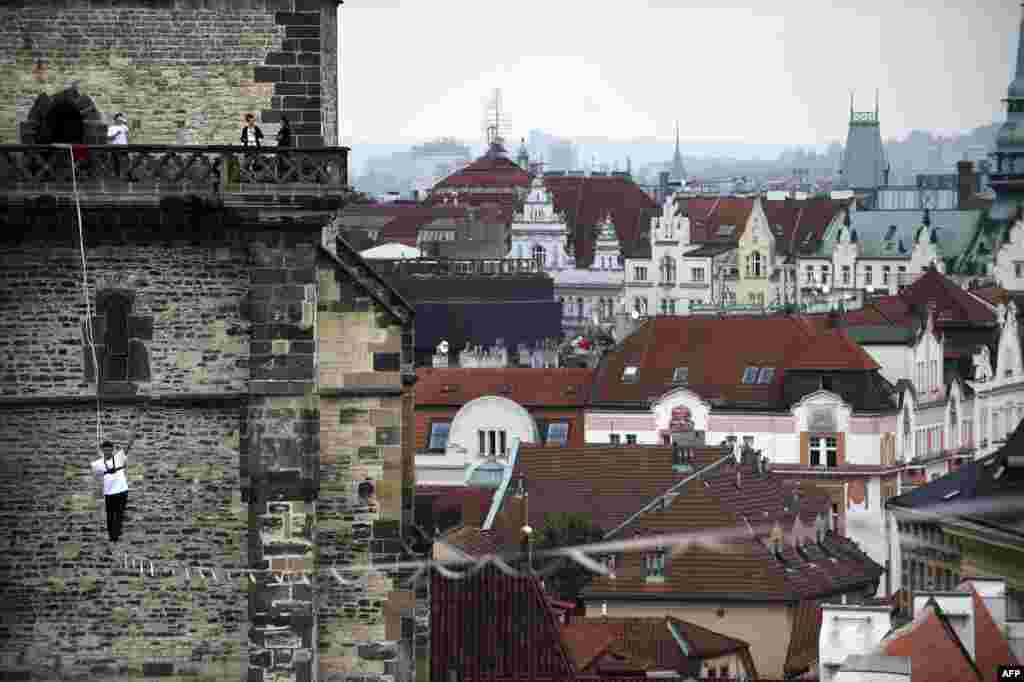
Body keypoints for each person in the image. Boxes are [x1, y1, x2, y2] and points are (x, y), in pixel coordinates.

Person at [91, 405, 144, 543]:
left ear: (113, 450)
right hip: (109, 492)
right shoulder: (98, 463)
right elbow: (95, 471)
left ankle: (117, 534)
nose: (108, 452)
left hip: (121, 490)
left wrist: (133, 432)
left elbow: (128, 446)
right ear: (103, 450)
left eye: (110, 449)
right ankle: (112, 536)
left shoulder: (118, 458)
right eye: (105, 450)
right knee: (110, 515)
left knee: (119, 514)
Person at [106, 112, 129, 179]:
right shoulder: (111, 128)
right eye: (119, 118)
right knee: (116, 162)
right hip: (115, 147)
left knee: (125, 161)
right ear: (115, 119)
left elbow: (127, 134)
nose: (120, 120)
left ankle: (125, 174)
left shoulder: (124, 127)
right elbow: (109, 138)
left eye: (121, 118)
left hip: (124, 146)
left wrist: (124, 122)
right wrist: (116, 134)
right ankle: (117, 176)